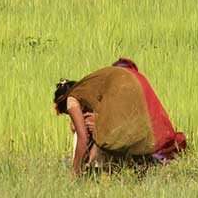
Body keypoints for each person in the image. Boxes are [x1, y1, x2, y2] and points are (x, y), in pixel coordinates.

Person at [52, 57, 186, 175]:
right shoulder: (89, 92)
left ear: (62, 103)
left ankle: (100, 169)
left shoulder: (71, 99)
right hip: (134, 79)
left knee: (98, 132)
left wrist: (75, 173)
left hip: (123, 85)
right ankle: (125, 165)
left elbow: (83, 138)